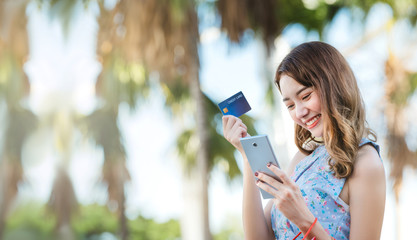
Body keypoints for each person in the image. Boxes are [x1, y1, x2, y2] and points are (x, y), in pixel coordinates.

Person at [222, 41, 385, 240]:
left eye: (306, 96)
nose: (300, 113)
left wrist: (305, 221)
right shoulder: (302, 159)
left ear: (334, 85)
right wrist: (248, 158)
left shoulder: (365, 161)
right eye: (290, 105)